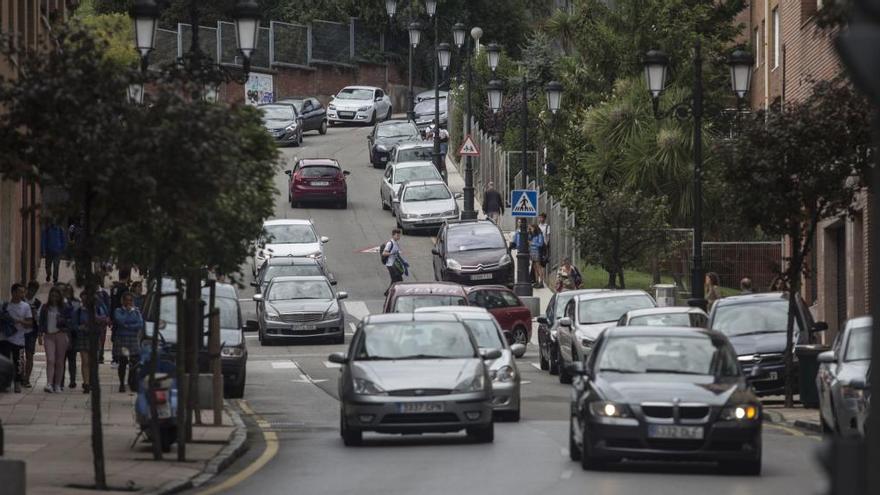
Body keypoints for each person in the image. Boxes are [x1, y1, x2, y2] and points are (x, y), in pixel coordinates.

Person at [73, 289, 110, 394]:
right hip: (83, 337)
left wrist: (97, 319)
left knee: (93, 361)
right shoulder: (79, 310)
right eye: (83, 298)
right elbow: (74, 325)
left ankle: (92, 381)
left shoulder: (98, 309)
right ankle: (86, 383)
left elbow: (105, 318)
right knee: (85, 361)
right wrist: (81, 327)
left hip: (94, 336)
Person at [0, 283, 35, 393]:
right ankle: (4, 383)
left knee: (18, 362)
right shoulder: (6, 306)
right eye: (20, 291)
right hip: (5, 338)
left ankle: (17, 382)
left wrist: (20, 321)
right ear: (13, 292)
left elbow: (30, 323)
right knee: (4, 362)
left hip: (19, 339)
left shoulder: (25, 306)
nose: (22, 294)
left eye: (23, 291)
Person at [38, 287, 70, 393]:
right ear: (49, 296)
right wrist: (39, 335)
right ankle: (49, 383)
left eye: (56, 296)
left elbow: (70, 321)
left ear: (59, 297)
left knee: (60, 361)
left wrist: (63, 322)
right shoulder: (45, 307)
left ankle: (57, 384)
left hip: (61, 335)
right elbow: (41, 322)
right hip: (49, 336)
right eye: (52, 295)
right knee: (50, 359)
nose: (54, 298)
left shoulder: (64, 308)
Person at [112, 292, 143, 393]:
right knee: (123, 362)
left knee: (134, 362)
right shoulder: (118, 310)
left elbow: (140, 323)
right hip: (122, 338)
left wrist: (128, 326)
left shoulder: (136, 311)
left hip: (133, 338)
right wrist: (128, 314)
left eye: (130, 300)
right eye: (127, 300)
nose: (128, 302)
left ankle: (132, 381)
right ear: (123, 301)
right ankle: (121, 383)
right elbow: (120, 320)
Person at [59, 283, 80, 390]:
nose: (67, 292)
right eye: (65, 291)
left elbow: (78, 316)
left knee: (72, 358)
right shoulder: (60, 303)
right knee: (61, 358)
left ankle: (72, 380)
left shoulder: (76, 302)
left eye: (69, 290)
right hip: (62, 332)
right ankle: (61, 380)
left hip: (73, 333)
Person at [22, 280, 42, 388]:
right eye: (31, 289)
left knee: (29, 355)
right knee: (20, 356)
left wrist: (35, 315)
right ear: (27, 288)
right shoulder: (21, 300)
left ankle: (27, 378)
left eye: (35, 290)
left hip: (31, 332)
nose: (32, 292)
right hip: (20, 332)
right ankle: (20, 377)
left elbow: (39, 321)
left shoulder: (38, 303)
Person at [382, 229, 408, 297]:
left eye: (399, 235)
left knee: (397, 279)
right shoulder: (390, 243)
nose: (398, 237)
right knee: (395, 279)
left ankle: (390, 292)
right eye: (397, 235)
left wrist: (403, 262)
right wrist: (391, 253)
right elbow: (384, 253)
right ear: (393, 235)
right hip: (390, 264)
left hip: (395, 264)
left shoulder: (396, 243)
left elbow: (397, 254)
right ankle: (388, 293)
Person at [41, 220, 67, 284]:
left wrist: (63, 248)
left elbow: (63, 239)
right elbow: (44, 240)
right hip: (49, 251)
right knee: (48, 266)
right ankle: (48, 274)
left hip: (57, 251)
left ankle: (55, 278)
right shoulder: (47, 230)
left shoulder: (60, 229)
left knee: (56, 265)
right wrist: (43, 251)